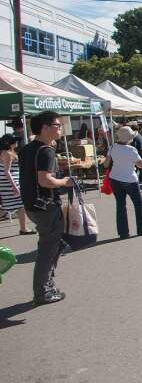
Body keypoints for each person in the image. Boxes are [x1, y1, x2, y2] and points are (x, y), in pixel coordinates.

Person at [19, 111, 74, 305]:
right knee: (47, 249)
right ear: (45, 127)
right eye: (57, 125)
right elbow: (45, 180)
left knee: (51, 246)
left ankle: (46, 286)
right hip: (46, 206)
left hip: (32, 205)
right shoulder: (46, 151)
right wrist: (64, 181)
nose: (60, 128)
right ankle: (43, 291)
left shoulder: (26, 149)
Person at [105, 127, 142, 239]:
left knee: (121, 205)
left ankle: (123, 232)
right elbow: (141, 165)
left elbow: (106, 164)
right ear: (129, 138)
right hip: (130, 179)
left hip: (115, 178)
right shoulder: (131, 149)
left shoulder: (112, 147)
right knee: (138, 204)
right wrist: (141, 159)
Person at [0, 134, 34, 235]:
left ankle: (23, 228)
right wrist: (14, 186)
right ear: (10, 143)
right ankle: (23, 228)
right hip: (9, 183)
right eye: (14, 141)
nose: (16, 142)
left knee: (16, 205)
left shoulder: (5, 152)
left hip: (8, 182)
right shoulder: (8, 153)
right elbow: (7, 171)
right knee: (18, 205)